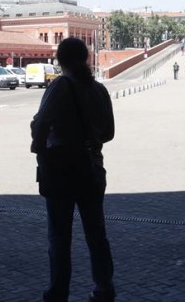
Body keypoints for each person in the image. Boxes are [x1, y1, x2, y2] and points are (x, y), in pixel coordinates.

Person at [31, 38, 116, 302]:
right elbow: (110, 133)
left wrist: (40, 149)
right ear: (87, 58)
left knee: (59, 236)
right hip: (92, 170)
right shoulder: (99, 90)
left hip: (61, 172)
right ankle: (104, 287)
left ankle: (58, 291)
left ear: (60, 60)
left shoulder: (60, 87)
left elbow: (40, 123)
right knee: (96, 233)